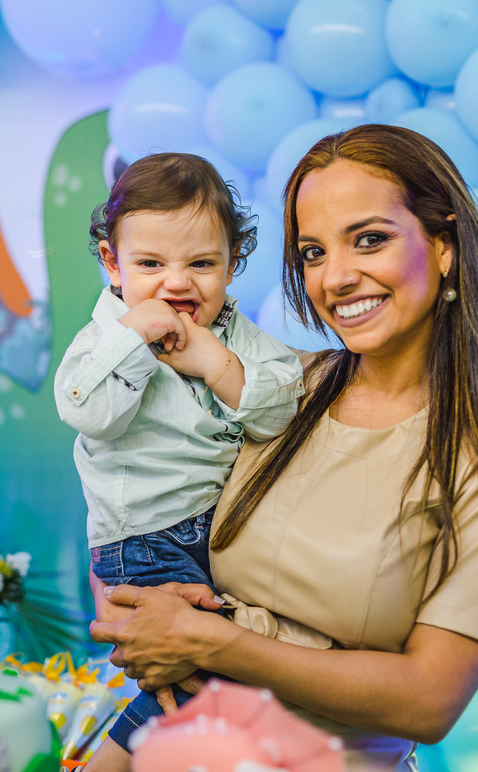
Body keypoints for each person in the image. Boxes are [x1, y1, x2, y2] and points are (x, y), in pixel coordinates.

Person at [86, 125, 478, 772]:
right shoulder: (272, 386)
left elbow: (429, 701)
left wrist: (209, 643)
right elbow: (129, 486)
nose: (336, 278)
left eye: (369, 239)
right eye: (313, 253)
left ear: (445, 244)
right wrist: (128, 601)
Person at [55, 152, 305, 618]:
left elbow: (280, 414)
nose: (177, 282)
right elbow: (88, 414)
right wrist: (133, 339)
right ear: (113, 263)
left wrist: (217, 363)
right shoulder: (104, 339)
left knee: (244, 631)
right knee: (182, 639)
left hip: (227, 525)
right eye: (150, 264)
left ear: (231, 264)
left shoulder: (236, 335)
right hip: (143, 539)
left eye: (202, 263)